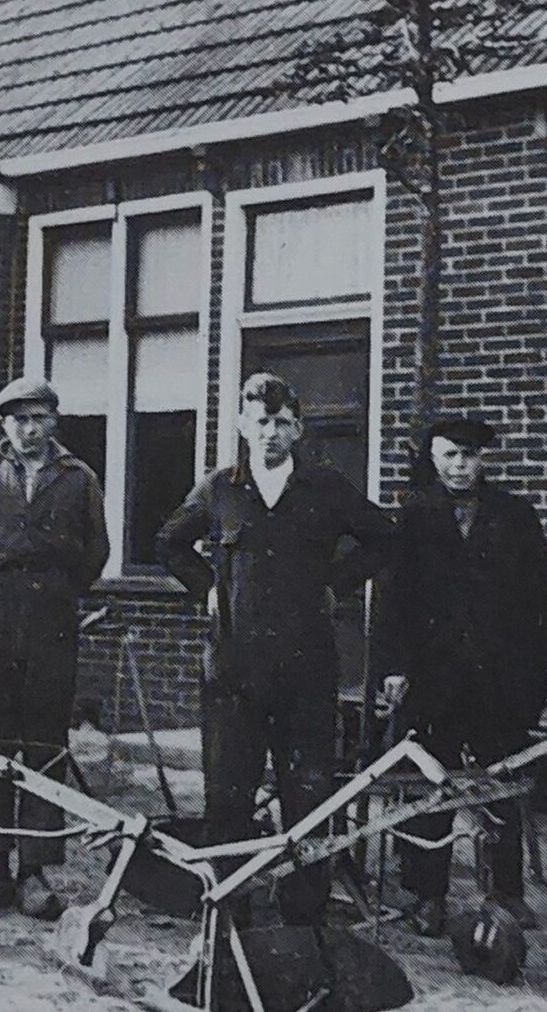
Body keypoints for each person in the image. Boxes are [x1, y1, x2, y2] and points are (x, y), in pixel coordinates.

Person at [154, 371, 395, 927]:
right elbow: (167, 542)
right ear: (242, 424)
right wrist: (208, 588)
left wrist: (338, 582)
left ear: (299, 429)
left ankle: (303, 913)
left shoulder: (326, 488)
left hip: (306, 672)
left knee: (308, 793)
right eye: (261, 421)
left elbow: (383, 537)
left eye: (282, 422)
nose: (271, 433)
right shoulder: (217, 489)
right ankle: (228, 908)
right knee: (228, 794)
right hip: (234, 672)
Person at [372, 416, 547, 935]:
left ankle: (506, 892)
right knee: (429, 787)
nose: (460, 466)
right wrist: (393, 668)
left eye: (469, 456)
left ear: (484, 459)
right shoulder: (413, 517)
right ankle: (426, 895)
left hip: (499, 680)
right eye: (449, 456)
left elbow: (543, 595)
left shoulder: (516, 516)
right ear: (434, 459)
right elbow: (393, 600)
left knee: (499, 784)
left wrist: (533, 666)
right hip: (434, 679)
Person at [0, 375, 109, 919]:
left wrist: (58, 593)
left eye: (37, 417)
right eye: (18, 419)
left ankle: (34, 869)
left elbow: (96, 552)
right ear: (4, 424)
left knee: (44, 742)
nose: (28, 428)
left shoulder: (79, 478)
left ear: (54, 421)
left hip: (52, 619)